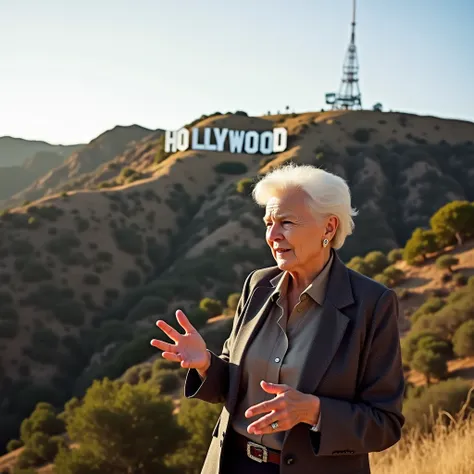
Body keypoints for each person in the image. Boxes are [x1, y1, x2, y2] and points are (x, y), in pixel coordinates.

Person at [151, 163, 405, 474]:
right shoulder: (257, 285)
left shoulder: (372, 304)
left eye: (286, 222)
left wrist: (313, 411)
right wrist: (206, 364)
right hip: (233, 464)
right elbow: (232, 387)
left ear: (329, 228)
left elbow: (385, 424)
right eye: (268, 223)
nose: (272, 236)